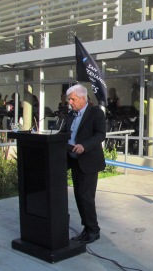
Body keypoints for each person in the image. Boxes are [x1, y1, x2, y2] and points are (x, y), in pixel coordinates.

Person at [59, 84, 106, 244]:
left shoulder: (96, 113)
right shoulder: (71, 114)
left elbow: (101, 135)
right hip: (73, 161)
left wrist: (84, 146)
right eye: (69, 99)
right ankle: (87, 228)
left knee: (86, 197)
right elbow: (64, 133)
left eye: (72, 99)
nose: (70, 102)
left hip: (89, 161)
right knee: (79, 196)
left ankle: (94, 230)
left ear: (82, 98)